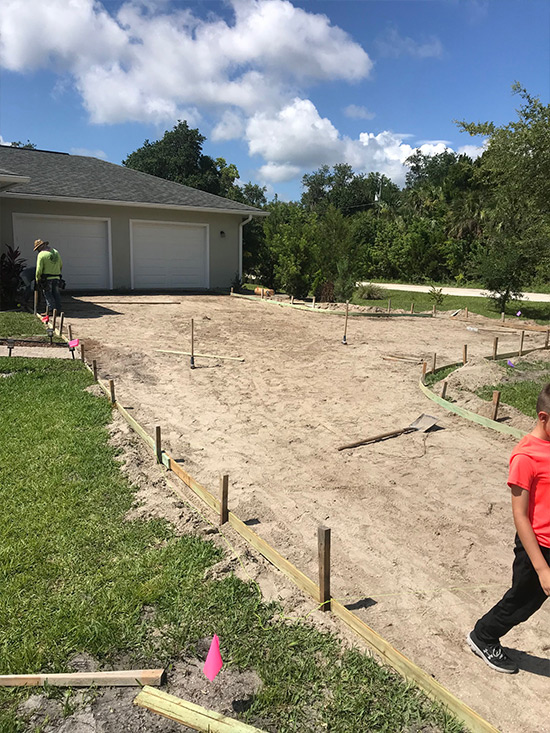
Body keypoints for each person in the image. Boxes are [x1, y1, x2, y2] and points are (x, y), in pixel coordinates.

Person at [468, 382, 550, 674]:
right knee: (522, 602)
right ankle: (484, 634)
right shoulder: (525, 457)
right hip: (537, 547)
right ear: (543, 418)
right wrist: (541, 568)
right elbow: (521, 516)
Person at [34, 238, 63, 314]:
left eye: (37, 248)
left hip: (47, 278)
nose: (38, 250)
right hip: (56, 277)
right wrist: (58, 273)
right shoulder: (56, 252)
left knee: (48, 294)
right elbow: (60, 264)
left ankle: (51, 310)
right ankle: (58, 309)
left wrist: (37, 278)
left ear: (40, 247)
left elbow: (39, 269)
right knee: (56, 293)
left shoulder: (41, 254)